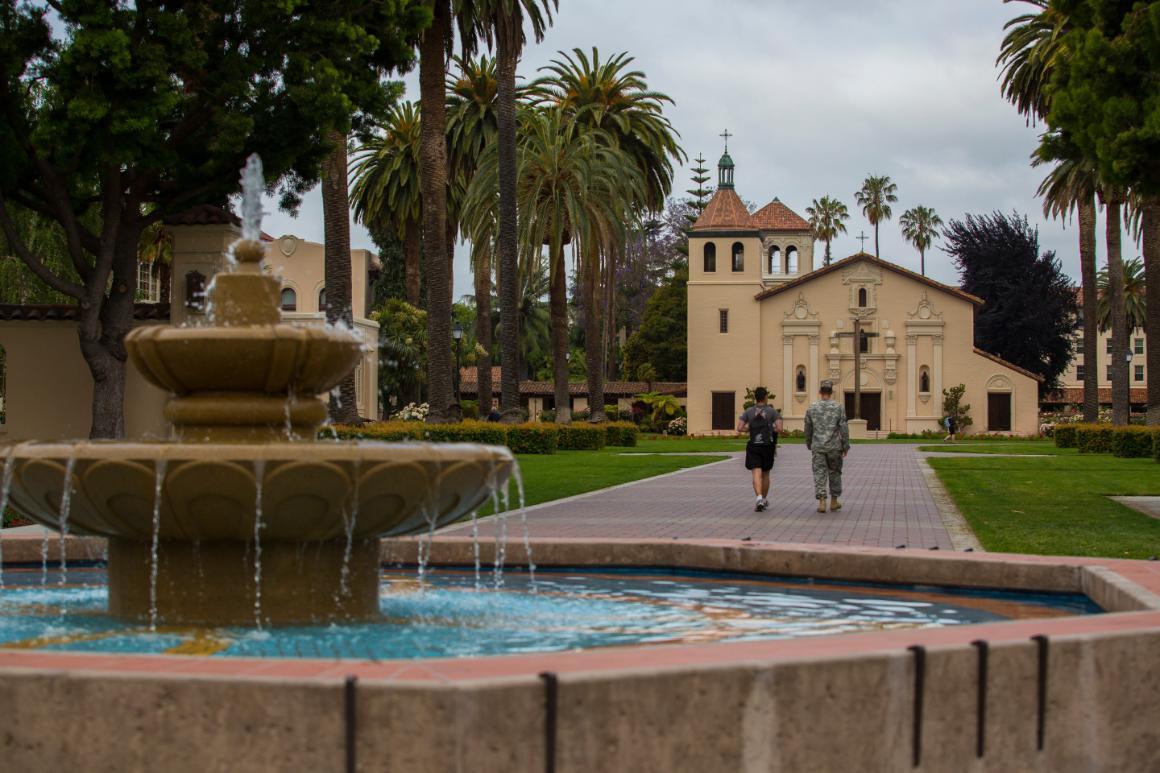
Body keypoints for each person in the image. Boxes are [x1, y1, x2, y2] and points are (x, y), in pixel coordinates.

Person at [804, 380, 850, 513]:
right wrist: (845, 445)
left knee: (819, 473)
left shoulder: (812, 407)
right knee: (835, 472)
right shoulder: (838, 407)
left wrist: (809, 443)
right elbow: (843, 427)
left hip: (818, 446)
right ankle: (834, 501)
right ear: (831, 392)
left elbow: (807, 427)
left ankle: (822, 501)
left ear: (820, 392)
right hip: (834, 446)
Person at [737, 387, 783, 511]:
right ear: (766, 397)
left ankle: (758, 497)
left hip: (754, 445)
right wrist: (769, 428)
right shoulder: (772, 412)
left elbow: (740, 427)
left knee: (756, 472)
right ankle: (763, 499)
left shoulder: (748, 411)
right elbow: (779, 428)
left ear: (755, 397)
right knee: (766, 474)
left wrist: (750, 429)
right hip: (767, 445)